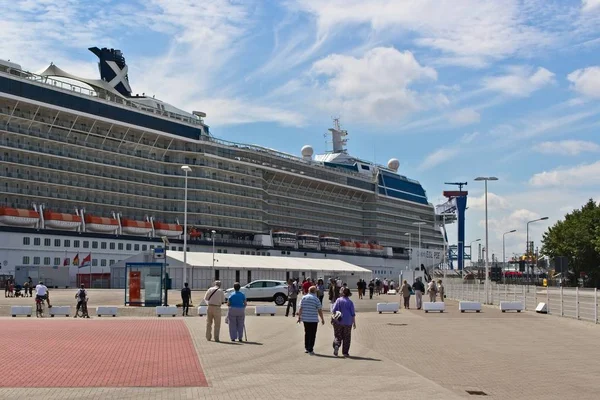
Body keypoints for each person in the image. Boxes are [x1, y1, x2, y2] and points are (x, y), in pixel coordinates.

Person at [297, 286, 325, 355]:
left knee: (307, 333)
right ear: (315, 291)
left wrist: (299, 317)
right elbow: (319, 310)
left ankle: (306, 348)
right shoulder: (316, 299)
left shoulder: (304, 298)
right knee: (312, 334)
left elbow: (301, 308)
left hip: (306, 319)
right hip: (313, 320)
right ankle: (310, 348)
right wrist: (322, 319)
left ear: (309, 291)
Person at [331, 287, 356, 357]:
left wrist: (332, 319)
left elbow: (333, 310)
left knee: (338, 336)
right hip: (348, 321)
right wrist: (354, 323)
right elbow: (353, 314)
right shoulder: (350, 302)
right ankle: (345, 352)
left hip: (338, 321)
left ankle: (336, 345)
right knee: (347, 337)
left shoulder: (338, 300)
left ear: (343, 293)